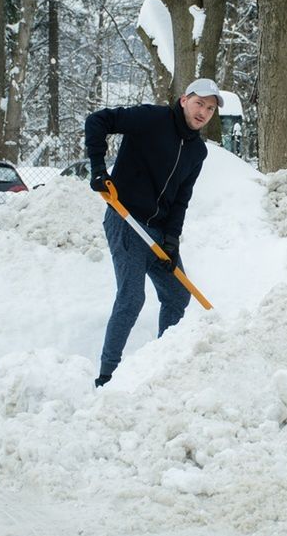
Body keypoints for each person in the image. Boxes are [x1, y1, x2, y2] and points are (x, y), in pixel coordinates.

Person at [84, 78, 223, 388]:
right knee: (132, 297)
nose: (203, 111)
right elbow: (98, 120)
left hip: (159, 231)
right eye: (199, 103)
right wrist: (97, 167)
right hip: (126, 218)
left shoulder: (197, 151)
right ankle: (107, 375)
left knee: (177, 295)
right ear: (185, 100)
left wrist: (172, 240)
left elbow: (181, 199)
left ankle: (163, 365)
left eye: (210, 108)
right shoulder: (152, 119)